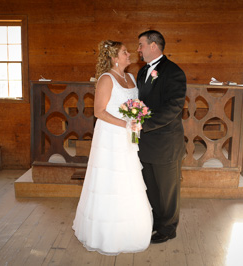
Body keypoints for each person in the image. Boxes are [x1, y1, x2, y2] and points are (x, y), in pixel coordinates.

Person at [72, 40, 153, 255]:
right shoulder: (106, 79)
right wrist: (126, 123)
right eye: (125, 52)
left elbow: (134, 105)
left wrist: (137, 118)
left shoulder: (130, 77)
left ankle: (129, 230)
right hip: (111, 136)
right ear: (114, 58)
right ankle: (106, 234)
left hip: (128, 136)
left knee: (128, 178)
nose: (129, 54)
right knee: (110, 181)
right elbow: (99, 111)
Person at [136, 30, 187, 244]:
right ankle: (156, 223)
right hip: (145, 142)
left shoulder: (173, 72)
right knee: (152, 188)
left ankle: (168, 229)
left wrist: (143, 123)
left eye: (141, 45)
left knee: (168, 190)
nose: (138, 49)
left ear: (154, 45)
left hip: (165, 143)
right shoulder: (142, 72)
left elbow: (174, 107)